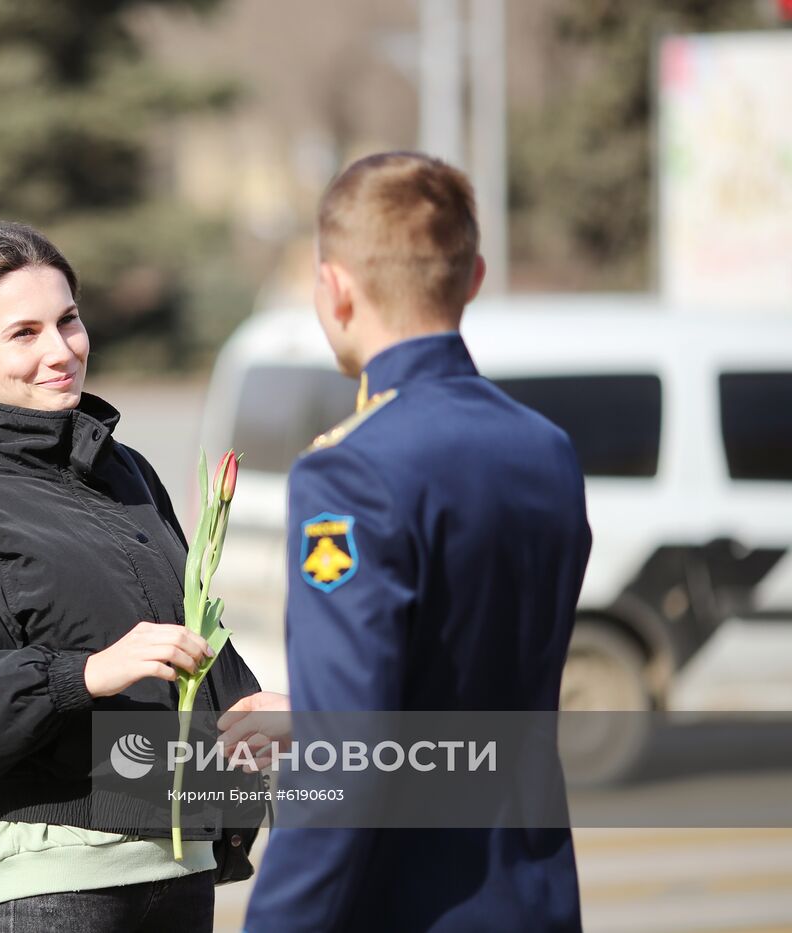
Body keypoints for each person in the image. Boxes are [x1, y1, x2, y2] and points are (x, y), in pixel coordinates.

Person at [0, 219, 267, 932]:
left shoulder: (125, 469)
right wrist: (81, 674)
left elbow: (188, 634)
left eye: (69, 320)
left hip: (179, 876)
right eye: (25, 333)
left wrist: (251, 708)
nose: (61, 349)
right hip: (58, 891)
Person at [236, 152, 591, 931]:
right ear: (474, 277)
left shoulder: (351, 469)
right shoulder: (546, 448)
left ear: (333, 289)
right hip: (535, 899)